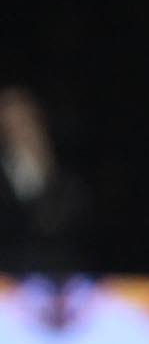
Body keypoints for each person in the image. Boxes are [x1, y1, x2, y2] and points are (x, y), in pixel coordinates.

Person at [0, 85, 92, 276]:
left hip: (56, 276)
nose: (19, 127)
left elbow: (58, 223)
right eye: (10, 119)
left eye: (24, 118)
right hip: (8, 277)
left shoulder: (63, 172)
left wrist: (44, 168)